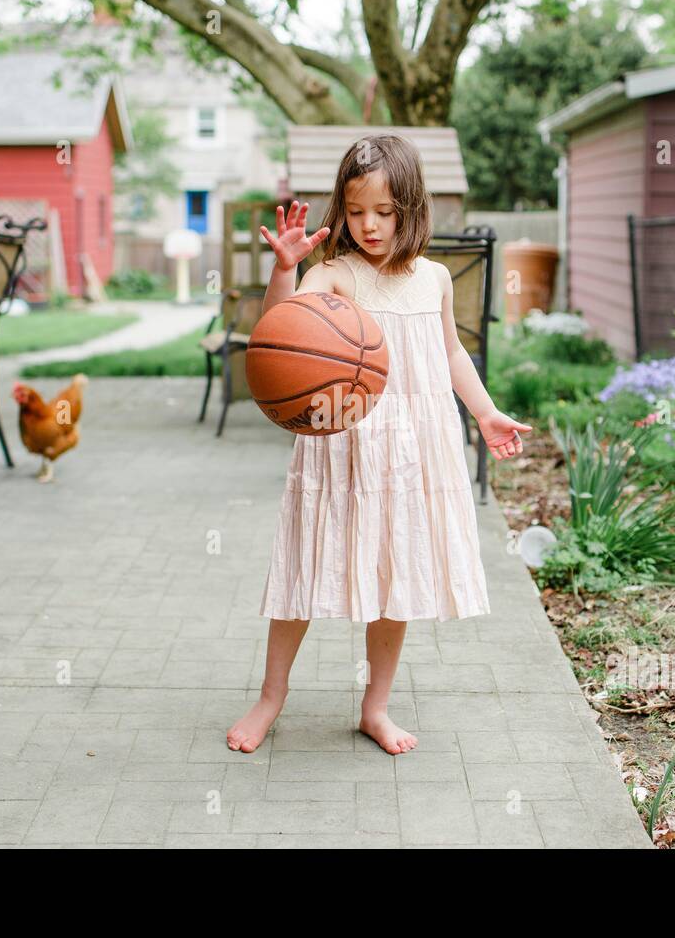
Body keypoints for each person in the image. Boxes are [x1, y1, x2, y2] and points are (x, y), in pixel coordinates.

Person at [227, 134, 532, 756]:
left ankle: (375, 708)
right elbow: (280, 332)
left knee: (397, 577)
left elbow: (450, 352)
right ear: (341, 207)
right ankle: (270, 696)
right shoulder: (334, 274)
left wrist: (486, 412)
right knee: (303, 568)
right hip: (341, 445)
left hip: (413, 448)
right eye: (357, 209)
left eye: (384, 212)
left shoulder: (436, 279)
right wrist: (286, 269)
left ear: (411, 210)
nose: (368, 224)